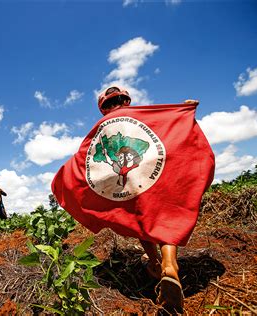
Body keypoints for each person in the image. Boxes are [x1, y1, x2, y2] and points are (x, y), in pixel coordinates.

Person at [98, 86, 200, 313]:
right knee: (163, 216)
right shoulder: (141, 117)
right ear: (126, 100)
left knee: (141, 219)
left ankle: (154, 263)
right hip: (154, 172)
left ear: (103, 108)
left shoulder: (104, 129)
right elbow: (168, 132)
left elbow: (93, 161)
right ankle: (170, 265)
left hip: (130, 181)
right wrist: (183, 112)